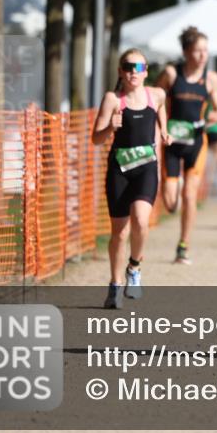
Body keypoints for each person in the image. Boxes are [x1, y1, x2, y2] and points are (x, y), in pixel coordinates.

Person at [92, 48, 169, 309]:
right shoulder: (113, 99)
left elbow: (161, 110)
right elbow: (96, 139)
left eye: (138, 68)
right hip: (120, 170)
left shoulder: (156, 95)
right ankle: (115, 285)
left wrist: (164, 131)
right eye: (128, 67)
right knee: (119, 232)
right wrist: (110, 127)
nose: (133, 72)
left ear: (146, 72)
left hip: (146, 167)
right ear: (120, 71)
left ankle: (134, 268)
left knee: (141, 221)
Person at [157, 27, 217, 265]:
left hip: (196, 142)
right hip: (172, 142)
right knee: (170, 203)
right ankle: (174, 188)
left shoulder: (212, 79)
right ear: (186, 52)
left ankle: (183, 245)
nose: (203, 55)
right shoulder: (171, 74)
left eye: (205, 50)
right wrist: (160, 127)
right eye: (197, 50)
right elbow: (155, 100)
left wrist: (209, 118)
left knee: (190, 195)